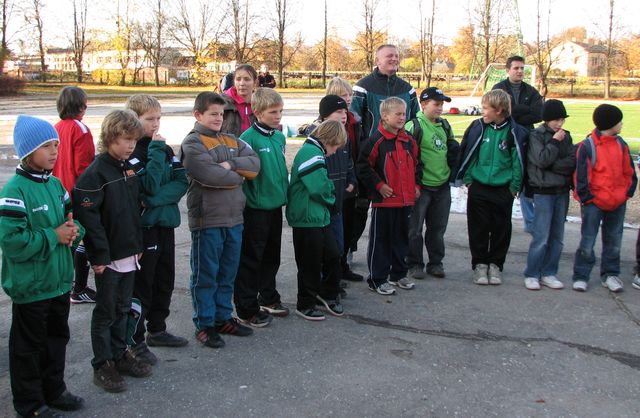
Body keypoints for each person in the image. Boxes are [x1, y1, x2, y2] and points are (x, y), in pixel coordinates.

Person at [1, 115, 85, 418]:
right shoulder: (14, 190)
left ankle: (55, 390)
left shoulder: (56, 185)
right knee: (28, 348)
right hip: (32, 286)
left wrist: (75, 232)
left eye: (56, 145)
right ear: (27, 151)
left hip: (58, 282)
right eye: (46, 146)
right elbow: (12, 242)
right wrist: (54, 235)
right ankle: (30, 404)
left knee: (56, 340)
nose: (54, 151)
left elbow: (71, 223)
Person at [73, 110, 152, 393]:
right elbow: (90, 221)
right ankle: (102, 363)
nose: (131, 146)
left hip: (128, 253)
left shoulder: (127, 168)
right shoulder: (95, 174)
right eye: (125, 140)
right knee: (106, 312)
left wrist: (138, 245)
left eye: (134, 140)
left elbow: (133, 212)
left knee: (123, 308)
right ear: (110, 138)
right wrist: (99, 256)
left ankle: (119, 354)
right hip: (107, 259)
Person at [180, 92, 260, 347]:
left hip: (234, 218)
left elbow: (254, 165)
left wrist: (230, 165)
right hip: (208, 220)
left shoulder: (231, 139)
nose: (218, 118)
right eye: (213, 114)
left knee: (227, 273)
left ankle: (223, 317)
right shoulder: (193, 143)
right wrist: (238, 174)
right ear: (198, 115)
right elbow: (209, 175)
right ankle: (205, 323)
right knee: (206, 275)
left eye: (221, 114)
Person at [125, 95, 189, 365]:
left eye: (158, 118)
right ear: (134, 119)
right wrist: (154, 150)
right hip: (145, 228)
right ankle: (135, 339)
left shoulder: (165, 149)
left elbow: (181, 181)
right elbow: (148, 185)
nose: (155, 124)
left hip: (165, 224)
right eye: (149, 119)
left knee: (165, 279)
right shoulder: (134, 152)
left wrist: (153, 200)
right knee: (144, 284)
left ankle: (158, 329)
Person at [349, 44, 420, 265]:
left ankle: (396, 261)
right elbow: (354, 122)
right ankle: (348, 250)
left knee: (397, 214)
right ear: (377, 60)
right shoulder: (363, 87)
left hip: (398, 159)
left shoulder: (407, 89)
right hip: (371, 157)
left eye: (397, 56)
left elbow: (415, 121)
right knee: (360, 208)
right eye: (389, 56)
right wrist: (362, 151)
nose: (394, 59)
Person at [452, 89, 527, 286]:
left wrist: (514, 186)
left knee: (501, 229)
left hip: (503, 189)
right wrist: (469, 179)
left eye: (486, 108)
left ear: (499, 110)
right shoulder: (478, 127)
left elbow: (517, 161)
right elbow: (469, 153)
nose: (482, 111)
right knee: (478, 228)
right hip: (479, 187)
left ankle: (495, 265)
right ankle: (479, 265)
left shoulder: (514, 132)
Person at [234, 88, 289, 327]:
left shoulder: (279, 137)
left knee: (271, 255)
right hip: (255, 208)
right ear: (257, 112)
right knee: (251, 258)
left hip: (275, 206)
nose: (278, 116)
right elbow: (242, 175)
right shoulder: (247, 139)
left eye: (280, 111)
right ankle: (246, 307)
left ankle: (268, 296)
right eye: (272, 112)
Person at [357, 97, 421, 295]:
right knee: (381, 241)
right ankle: (377, 279)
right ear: (385, 116)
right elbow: (363, 167)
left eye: (404, 114)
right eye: (398, 114)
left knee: (401, 239)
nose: (402, 117)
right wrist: (379, 186)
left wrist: (416, 186)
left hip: (405, 201)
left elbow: (418, 165)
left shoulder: (409, 140)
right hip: (384, 202)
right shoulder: (376, 141)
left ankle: (398, 274)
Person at [572, 104, 637, 293]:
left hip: (617, 202)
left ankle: (610, 274)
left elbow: (629, 172)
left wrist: (626, 193)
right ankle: (581, 275)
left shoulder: (621, 144)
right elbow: (581, 176)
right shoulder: (588, 146)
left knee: (614, 241)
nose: (622, 124)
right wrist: (588, 198)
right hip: (594, 202)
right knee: (587, 241)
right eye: (619, 121)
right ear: (610, 123)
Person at [287, 120, 346, 320]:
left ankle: (326, 293)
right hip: (307, 217)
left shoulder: (315, 151)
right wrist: (332, 195)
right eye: (336, 146)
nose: (336, 151)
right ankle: (305, 303)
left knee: (332, 255)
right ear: (330, 139)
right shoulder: (311, 153)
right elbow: (320, 187)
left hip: (318, 216)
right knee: (309, 263)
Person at [303, 94, 361, 286]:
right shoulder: (316, 139)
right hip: (324, 202)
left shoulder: (344, 135)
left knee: (338, 243)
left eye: (345, 111)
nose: (344, 115)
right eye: (338, 111)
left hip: (339, 199)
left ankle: (334, 279)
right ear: (326, 115)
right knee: (324, 248)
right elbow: (317, 176)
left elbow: (349, 161)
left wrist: (352, 180)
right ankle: (324, 284)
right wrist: (329, 192)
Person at [405, 87, 459, 280]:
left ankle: (436, 263)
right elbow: (406, 157)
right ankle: (414, 264)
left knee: (437, 228)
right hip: (422, 186)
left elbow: (450, 147)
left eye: (441, 105)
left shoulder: (444, 125)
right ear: (423, 105)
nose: (440, 108)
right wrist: (413, 184)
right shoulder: (414, 126)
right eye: (436, 104)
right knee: (415, 229)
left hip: (442, 185)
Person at [523, 99, 575, 290]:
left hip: (561, 190)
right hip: (543, 191)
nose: (559, 124)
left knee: (557, 237)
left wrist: (553, 165)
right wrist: (554, 142)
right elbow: (541, 160)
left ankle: (549, 272)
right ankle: (532, 273)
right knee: (541, 236)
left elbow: (571, 161)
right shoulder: (536, 135)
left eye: (562, 120)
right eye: (555, 120)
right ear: (547, 119)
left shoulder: (566, 136)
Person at [52, 86, 96, 304]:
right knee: (83, 238)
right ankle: (77, 288)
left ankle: (66, 286)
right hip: (77, 193)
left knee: (66, 241)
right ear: (81, 106)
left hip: (57, 193)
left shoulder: (55, 128)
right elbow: (84, 168)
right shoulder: (81, 129)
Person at [492, 55, 543, 234]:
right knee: (505, 174)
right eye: (516, 68)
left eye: (522, 68)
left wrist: (514, 111)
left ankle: (530, 222)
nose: (520, 71)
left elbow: (538, 113)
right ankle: (498, 218)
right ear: (508, 70)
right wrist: (524, 110)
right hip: (503, 137)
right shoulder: (499, 88)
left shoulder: (531, 91)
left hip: (526, 138)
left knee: (526, 177)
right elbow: (499, 111)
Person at [324, 77, 365, 282]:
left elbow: (352, 154)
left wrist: (354, 178)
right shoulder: (326, 126)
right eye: (343, 95)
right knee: (334, 230)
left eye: (350, 94)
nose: (348, 98)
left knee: (349, 225)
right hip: (334, 183)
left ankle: (343, 265)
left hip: (349, 178)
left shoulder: (354, 121)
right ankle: (332, 272)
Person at [221, 64, 258, 136]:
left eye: (247, 79)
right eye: (238, 79)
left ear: (255, 82)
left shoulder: (262, 104)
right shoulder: (221, 102)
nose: (242, 83)